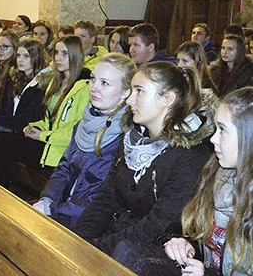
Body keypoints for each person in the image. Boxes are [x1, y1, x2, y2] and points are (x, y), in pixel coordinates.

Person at [74, 62, 214, 267]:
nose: (129, 99)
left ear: (168, 99)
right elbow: (106, 197)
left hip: (151, 253)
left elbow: (157, 226)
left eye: (139, 91)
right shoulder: (133, 139)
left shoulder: (191, 156)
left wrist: (95, 248)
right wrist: (79, 238)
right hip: (118, 239)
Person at [33, 53, 136, 229]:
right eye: (93, 79)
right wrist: (47, 198)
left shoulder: (126, 137)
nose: (94, 88)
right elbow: (64, 167)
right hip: (63, 210)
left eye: (105, 83)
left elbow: (101, 200)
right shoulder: (84, 121)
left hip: (92, 224)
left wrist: (53, 209)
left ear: (126, 92)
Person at [163, 87, 253, 276]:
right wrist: (184, 244)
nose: (213, 138)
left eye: (223, 130)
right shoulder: (218, 173)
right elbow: (198, 233)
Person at [0, 35, 90, 186]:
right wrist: (34, 127)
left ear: (75, 55)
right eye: (56, 53)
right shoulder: (56, 82)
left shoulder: (83, 87)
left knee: (0, 142)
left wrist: (43, 135)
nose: (58, 58)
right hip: (47, 142)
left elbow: (75, 131)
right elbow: (47, 118)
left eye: (64, 53)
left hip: (59, 148)